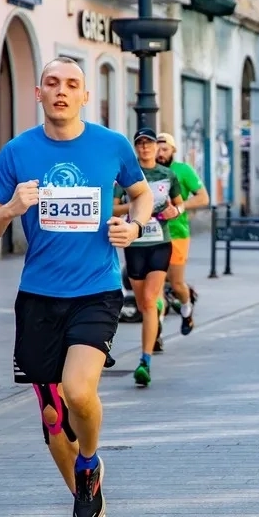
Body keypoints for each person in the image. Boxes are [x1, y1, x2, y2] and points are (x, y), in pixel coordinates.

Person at [0, 56, 153, 517]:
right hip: (38, 299)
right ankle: (85, 504)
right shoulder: (17, 152)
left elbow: (142, 196)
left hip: (95, 290)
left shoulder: (112, 145)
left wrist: (133, 226)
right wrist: (11, 209)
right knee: (53, 421)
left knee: (77, 391)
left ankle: (90, 461)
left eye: (72, 85)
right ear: (39, 93)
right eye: (52, 83)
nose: (61, 92)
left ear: (85, 96)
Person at [112, 127, 183, 387]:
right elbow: (112, 206)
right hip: (134, 243)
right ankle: (157, 313)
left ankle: (145, 361)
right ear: (136, 148)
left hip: (159, 243)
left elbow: (179, 204)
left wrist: (174, 212)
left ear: (156, 147)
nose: (145, 148)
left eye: (149, 144)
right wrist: (136, 207)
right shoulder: (127, 176)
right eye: (140, 144)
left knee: (150, 301)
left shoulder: (168, 174)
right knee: (143, 304)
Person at [155, 132, 209, 336]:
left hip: (177, 233)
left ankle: (186, 308)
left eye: (165, 149)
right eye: (157, 149)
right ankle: (156, 334)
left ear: (173, 151)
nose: (160, 153)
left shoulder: (183, 170)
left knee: (176, 283)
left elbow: (203, 198)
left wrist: (180, 207)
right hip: (153, 235)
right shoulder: (148, 170)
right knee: (156, 286)